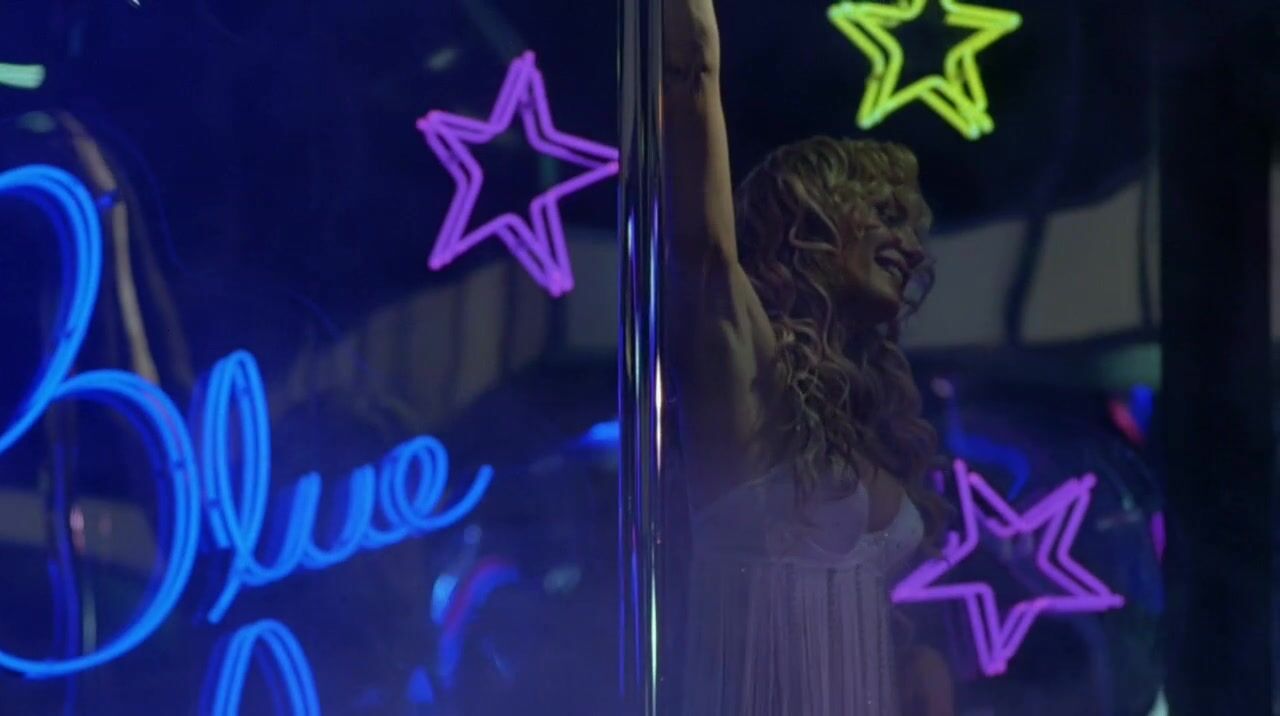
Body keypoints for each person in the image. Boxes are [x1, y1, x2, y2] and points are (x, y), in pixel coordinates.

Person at [662, 1, 954, 714]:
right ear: (811, 219)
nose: (911, 247)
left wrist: (913, 668)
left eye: (912, 227)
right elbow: (705, 237)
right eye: (885, 215)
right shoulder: (744, 373)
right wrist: (695, 40)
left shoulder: (854, 420)